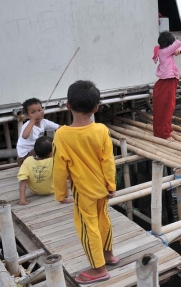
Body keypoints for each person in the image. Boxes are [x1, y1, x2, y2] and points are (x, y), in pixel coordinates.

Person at [53, 80, 118, 284]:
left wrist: (61, 194)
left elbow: (59, 169)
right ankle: (108, 255)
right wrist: (111, 186)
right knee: (103, 220)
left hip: (84, 192)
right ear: (96, 107)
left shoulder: (62, 135)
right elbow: (108, 161)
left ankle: (99, 269)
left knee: (87, 227)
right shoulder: (101, 130)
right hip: (102, 188)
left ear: (68, 105)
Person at [17, 136, 73, 205]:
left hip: (35, 190)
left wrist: (22, 200)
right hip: (53, 190)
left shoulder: (27, 161)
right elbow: (62, 177)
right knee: (68, 178)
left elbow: (22, 180)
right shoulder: (54, 161)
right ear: (50, 153)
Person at [152, 31, 181, 141]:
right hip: (168, 81)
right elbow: (179, 43)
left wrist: (177, 51)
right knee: (167, 107)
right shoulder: (166, 51)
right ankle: (164, 134)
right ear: (169, 43)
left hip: (165, 81)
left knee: (164, 107)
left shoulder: (160, 50)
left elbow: (178, 48)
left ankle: (165, 129)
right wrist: (176, 48)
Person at [16, 98, 59, 166]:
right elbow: (25, 136)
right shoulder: (28, 125)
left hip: (37, 152)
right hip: (24, 158)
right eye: (33, 112)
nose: (37, 114)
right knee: (45, 146)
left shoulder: (44, 122)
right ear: (27, 115)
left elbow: (59, 127)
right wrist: (33, 119)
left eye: (39, 110)